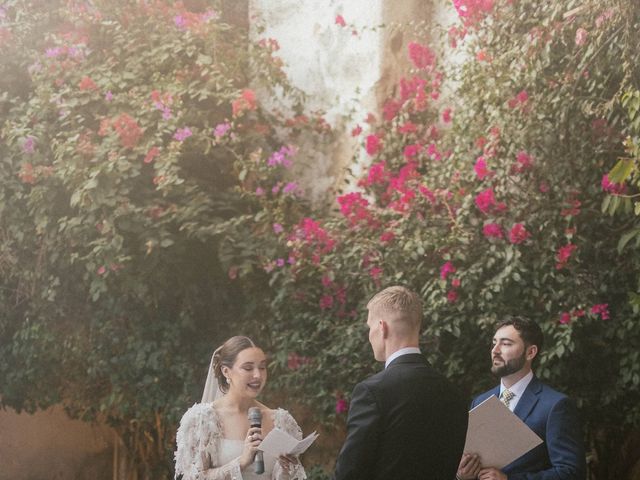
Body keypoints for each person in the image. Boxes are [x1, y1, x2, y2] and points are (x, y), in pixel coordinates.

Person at [333, 286, 469, 480]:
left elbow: (349, 473)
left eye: (369, 327)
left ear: (382, 327)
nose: (369, 335)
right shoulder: (453, 393)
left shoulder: (372, 391)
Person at [456, 316, 586, 480]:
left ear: (530, 352)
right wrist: (462, 475)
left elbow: (572, 473)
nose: (495, 350)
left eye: (506, 344)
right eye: (494, 343)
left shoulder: (555, 406)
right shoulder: (480, 401)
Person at [174, 336, 307, 480]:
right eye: (248, 368)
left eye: (262, 367)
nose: (258, 375)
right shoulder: (202, 420)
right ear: (226, 371)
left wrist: (286, 470)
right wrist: (241, 462)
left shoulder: (281, 421)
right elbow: (195, 477)